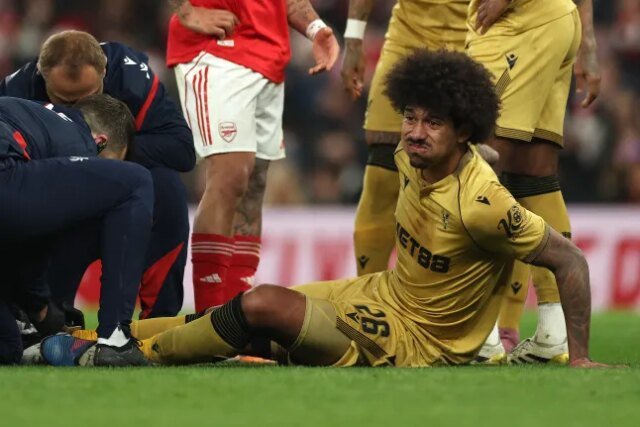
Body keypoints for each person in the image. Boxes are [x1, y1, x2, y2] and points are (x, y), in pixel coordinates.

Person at [43, 50, 611, 369]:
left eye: (433, 123)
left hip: (417, 343)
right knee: (250, 314)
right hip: (379, 296)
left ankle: (132, 357)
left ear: (462, 130)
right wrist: (475, 148)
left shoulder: (485, 204)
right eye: (410, 117)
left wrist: (580, 359)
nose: (414, 132)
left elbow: (570, 260)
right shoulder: (415, 155)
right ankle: (99, 337)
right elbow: (477, 151)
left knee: (263, 305)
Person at [0, 30, 195, 320]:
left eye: (87, 97)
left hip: (121, 186)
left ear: (104, 71)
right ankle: (47, 314)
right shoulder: (16, 89)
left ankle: (160, 319)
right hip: (57, 197)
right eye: (64, 101)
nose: (78, 112)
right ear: (42, 74)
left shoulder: (130, 78)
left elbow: (182, 149)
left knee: (167, 188)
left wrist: (108, 155)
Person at [167, 0, 339, 310]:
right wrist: (187, 10)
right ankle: (209, 318)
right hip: (217, 51)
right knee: (230, 176)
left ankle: (235, 316)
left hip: (269, 58)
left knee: (254, 184)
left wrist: (315, 28)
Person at [466, 0, 601, 362]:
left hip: (520, 21)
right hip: (555, 19)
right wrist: (587, 39)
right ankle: (553, 332)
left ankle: (481, 335)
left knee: (478, 161)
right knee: (534, 176)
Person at [0, 95, 152, 366]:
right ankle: (116, 340)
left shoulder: (27, 115)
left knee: (8, 347)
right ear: (100, 142)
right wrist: (41, 308)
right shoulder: (77, 138)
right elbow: (31, 233)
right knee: (135, 181)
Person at [341, 0, 471, 278]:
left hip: (475, 42)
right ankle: (366, 294)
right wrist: (353, 39)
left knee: (474, 183)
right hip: (407, 39)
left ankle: (485, 302)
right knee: (381, 177)